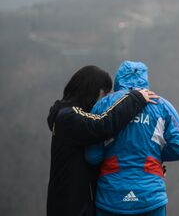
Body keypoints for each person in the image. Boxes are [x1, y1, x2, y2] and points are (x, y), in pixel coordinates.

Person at [47, 65, 159, 216]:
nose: (104, 100)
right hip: (72, 208)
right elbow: (101, 124)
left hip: (69, 205)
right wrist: (136, 98)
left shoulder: (64, 115)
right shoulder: (69, 116)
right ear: (92, 89)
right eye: (104, 94)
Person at [86, 61, 179, 216]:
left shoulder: (103, 105)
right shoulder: (161, 105)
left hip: (111, 196)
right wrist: (154, 155)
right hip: (150, 196)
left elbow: (93, 156)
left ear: (118, 79)